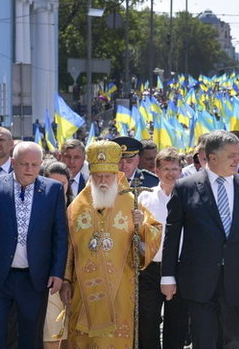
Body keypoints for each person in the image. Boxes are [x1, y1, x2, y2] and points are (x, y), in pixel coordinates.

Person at [161, 130, 239, 348]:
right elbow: (172, 236)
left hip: (238, 282)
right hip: (199, 283)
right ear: (212, 157)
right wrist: (168, 277)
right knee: (205, 342)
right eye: (231, 155)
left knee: (238, 341)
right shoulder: (186, 187)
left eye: (238, 154)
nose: (237, 160)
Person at [0, 142, 68, 348]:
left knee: (31, 336)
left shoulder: (53, 190)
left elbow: (60, 235)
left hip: (34, 278)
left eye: (34, 164)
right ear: (13, 162)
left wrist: (57, 272)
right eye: (23, 164)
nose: (29, 169)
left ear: (40, 165)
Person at [60, 140, 162, 347]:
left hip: (121, 286)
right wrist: (65, 281)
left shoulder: (130, 201)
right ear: (91, 177)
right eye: (98, 176)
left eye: (108, 176)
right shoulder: (76, 207)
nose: (103, 181)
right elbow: (67, 247)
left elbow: (154, 232)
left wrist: (140, 226)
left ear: (116, 176)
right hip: (83, 289)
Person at [137, 147, 188, 348]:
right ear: (156, 171)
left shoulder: (188, 196)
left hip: (179, 266)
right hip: (151, 267)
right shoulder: (144, 197)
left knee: (176, 323)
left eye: (175, 168)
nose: (171, 173)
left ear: (181, 170)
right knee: (148, 321)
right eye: (165, 168)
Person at [41, 161, 73, 349]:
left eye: (62, 184)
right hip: (49, 278)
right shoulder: (38, 208)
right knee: (52, 330)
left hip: (74, 279)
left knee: (71, 332)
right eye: (52, 183)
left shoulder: (78, 207)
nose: (57, 189)